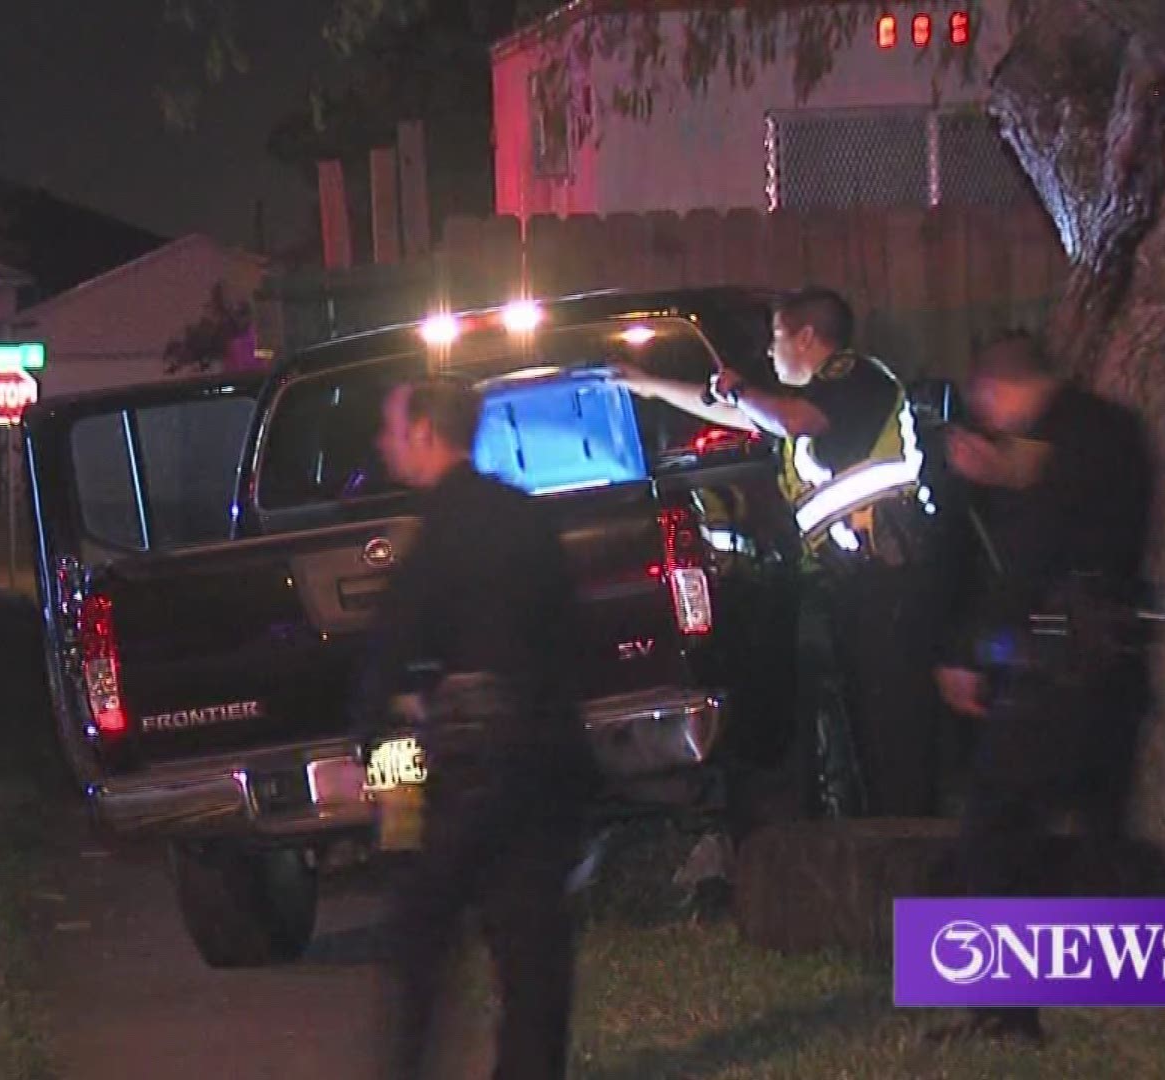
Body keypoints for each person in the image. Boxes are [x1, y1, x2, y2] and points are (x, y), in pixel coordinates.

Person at [618, 287, 945, 817]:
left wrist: (742, 387)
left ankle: (913, 847)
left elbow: (790, 419)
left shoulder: (857, 378)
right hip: (853, 583)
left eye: (776, 339)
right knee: (866, 728)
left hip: (889, 580)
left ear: (807, 337)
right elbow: (745, 416)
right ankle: (886, 837)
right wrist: (648, 385)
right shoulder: (808, 403)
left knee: (895, 729)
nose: (771, 353)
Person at [358, 376, 595, 1080]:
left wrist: (386, 775)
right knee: (534, 960)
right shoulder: (527, 517)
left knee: (419, 945)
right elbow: (566, 640)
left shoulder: (437, 533)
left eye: (391, 429)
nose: (382, 443)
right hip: (541, 761)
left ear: (426, 434)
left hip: (461, 771)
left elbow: (390, 661)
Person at [932, 331, 1155, 1044]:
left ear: (994, 391)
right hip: (1116, 660)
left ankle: (1006, 1010)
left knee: (995, 829)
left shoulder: (1056, 443)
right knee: (1100, 829)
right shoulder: (1111, 429)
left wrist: (974, 654)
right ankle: (1143, 992)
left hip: (1058, 666)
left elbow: (1032, 555)